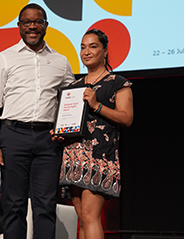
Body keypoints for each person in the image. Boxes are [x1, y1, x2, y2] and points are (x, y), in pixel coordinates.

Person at [0, 3, 75, 239]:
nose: (32, 26)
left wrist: (65, 128)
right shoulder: (4, 59)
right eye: (27, 22)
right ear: (19, 26)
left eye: (38, 22)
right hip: (13, 137)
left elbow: (69, 103)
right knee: (13, 205)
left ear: (46, 25)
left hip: (48, 140)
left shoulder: (61, 62)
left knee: (46, 206)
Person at [52, 29, 133, 239]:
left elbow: (126, 118)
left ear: (105, 51)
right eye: (83, 46)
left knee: (89, 214)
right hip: (73, 155)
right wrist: (60, 132)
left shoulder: (117, 83)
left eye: (93, 46)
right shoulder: (74, 87)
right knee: (81, 216)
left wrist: (97, 106)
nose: (87, 51)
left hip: (99, 155)